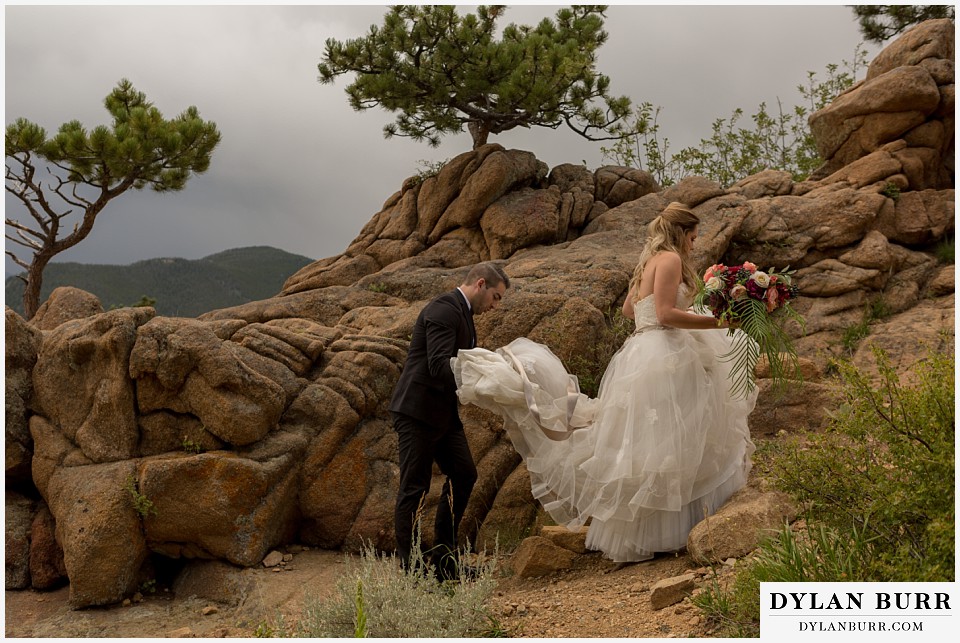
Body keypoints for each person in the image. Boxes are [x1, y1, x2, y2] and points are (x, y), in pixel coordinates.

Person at [452, 202, 757, 563]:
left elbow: (632, 311)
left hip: (641, 354)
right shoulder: (671, 260)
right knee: (679, 439)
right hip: (666, 353)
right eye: (693, 236)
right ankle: (679, 529)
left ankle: (645, 537)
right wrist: (717, 322)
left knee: (647, 446)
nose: (694, 243)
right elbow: (664, 314)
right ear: (682, 233)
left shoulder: (648, 261)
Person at [390, 261, 510, 579]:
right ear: (481, 284)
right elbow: (438, 365)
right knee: (413, 488)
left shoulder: (464, 315)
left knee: (464, 474)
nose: (495, 306)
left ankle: (445, 564)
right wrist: (483, 381)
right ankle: (412, 570)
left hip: (442, 414)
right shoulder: (444, 309)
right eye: (496, 297)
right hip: (417, 411)